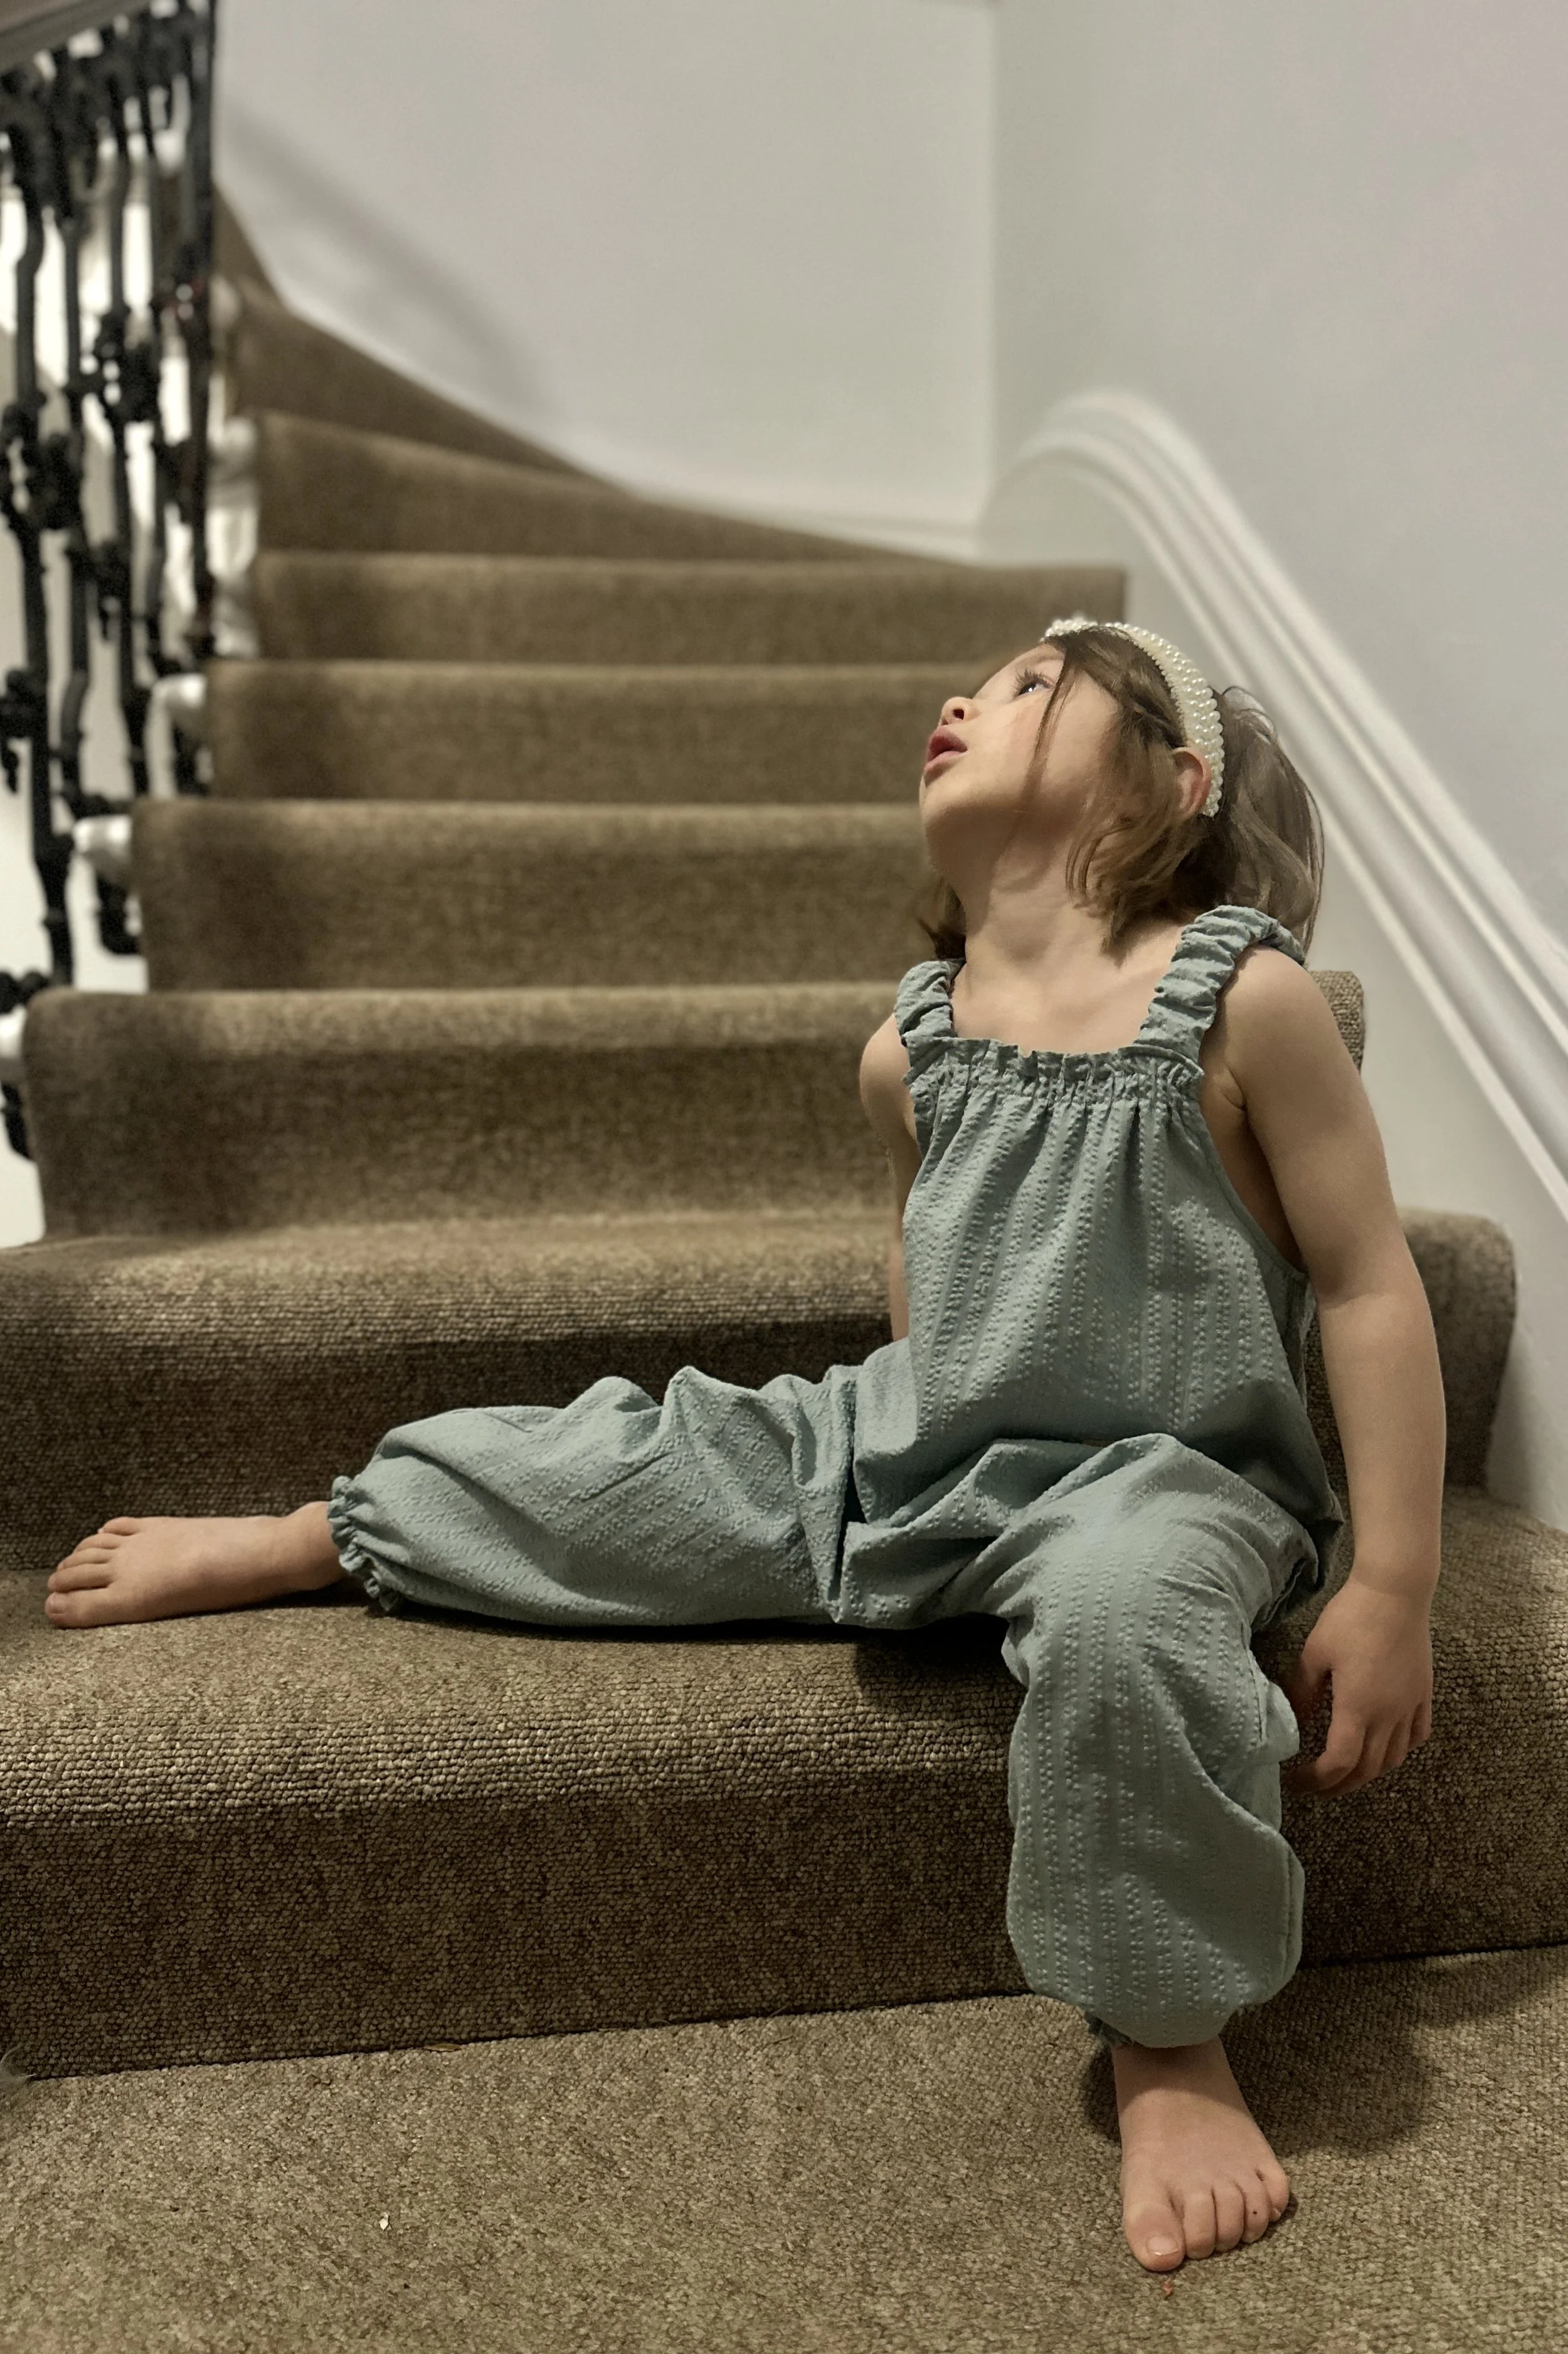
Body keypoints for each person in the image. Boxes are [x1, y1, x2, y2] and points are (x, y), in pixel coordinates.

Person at [43, 617, 1446, 2277]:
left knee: (1131, 1627)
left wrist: (1394, 1581)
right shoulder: (906, 1050)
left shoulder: (1248, 1006)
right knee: (620, 1461)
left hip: (1166, 1480)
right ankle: (334, 1530)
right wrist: (897, 1431)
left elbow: (1364, 1285)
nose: (957, 698)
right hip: (914, 1446)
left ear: (1175, 779)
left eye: (1024, 685)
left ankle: (1162, 2034)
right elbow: (932, 1275)